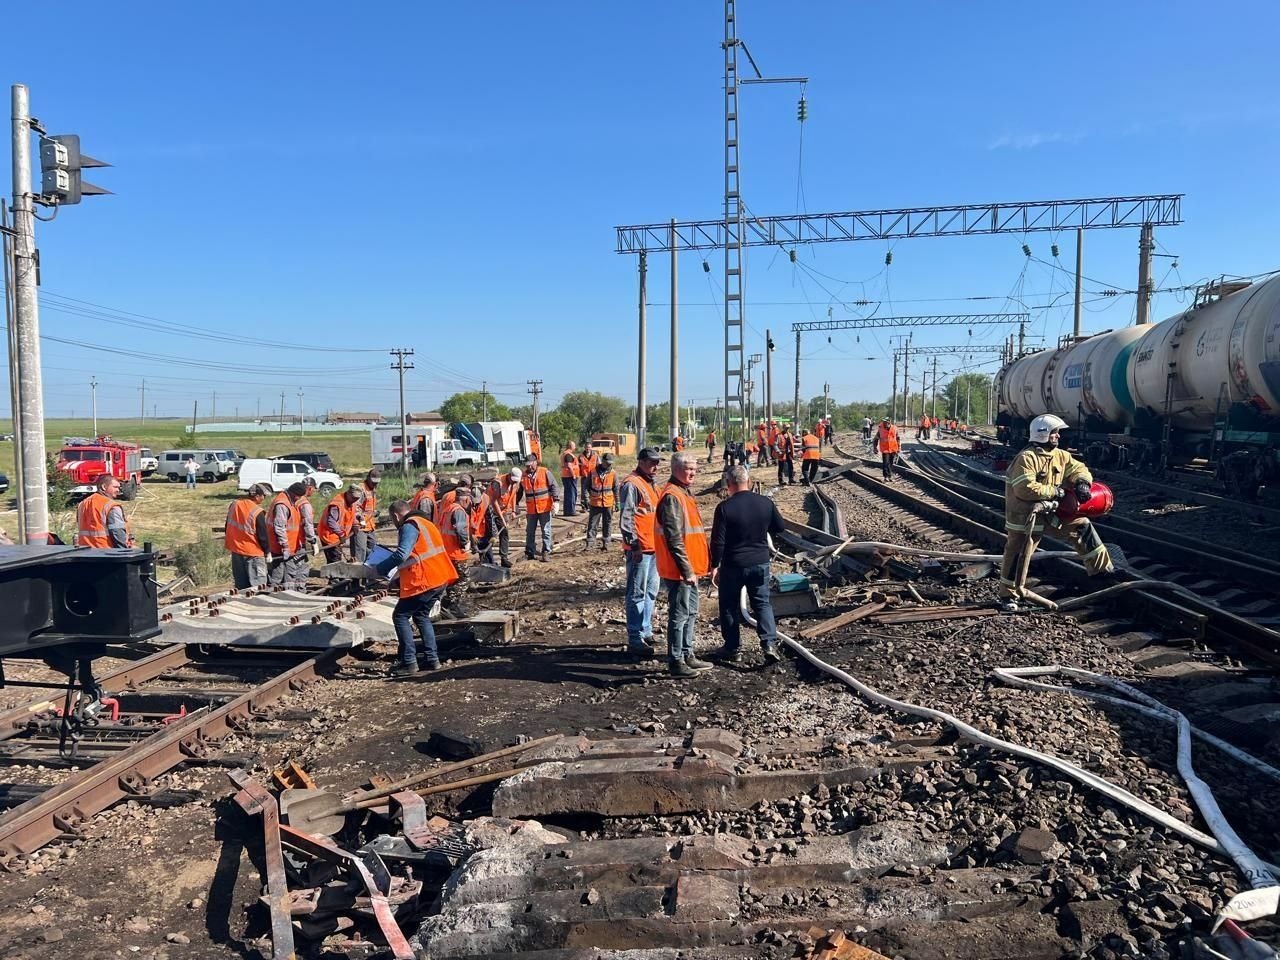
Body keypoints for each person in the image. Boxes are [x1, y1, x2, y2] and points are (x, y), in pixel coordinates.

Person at [1000, 414, 1115, 611]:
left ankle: (1102, 572)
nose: (1058, 437)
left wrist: (1082, 482)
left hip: (1050, 513)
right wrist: (1057, 492)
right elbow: (1025, 488)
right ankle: (1009, 595)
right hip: (1026, 517)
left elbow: (1079, 468)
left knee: (1082, 526)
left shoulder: (1060, 455)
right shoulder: (1026, 458)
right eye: (1055, 433)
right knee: (1018, 553)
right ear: (1043, 434)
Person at [710, 464, 783, 665]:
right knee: (762, 602)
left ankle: (732, 648)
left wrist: (714, 564)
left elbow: (718, 541)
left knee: (728, 606)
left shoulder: (724, 508)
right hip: (760, 561)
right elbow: (780, 527)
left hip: (733, 564)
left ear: (729, 484)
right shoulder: (765, 503)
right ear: (749, 482)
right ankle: (769, 643)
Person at [376, 500, 459, 676]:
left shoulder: (409, 525)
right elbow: (419, 554)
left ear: (396, 515)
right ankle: (432, 659)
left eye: (393, 519)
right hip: (439, 577)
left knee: (400, 616)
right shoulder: (426, 523)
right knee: (421, 616)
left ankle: (409, 662)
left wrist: (380, 569)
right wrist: (397, 579)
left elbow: (401, 554)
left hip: (425, 580)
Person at [655, 451, 711, 679]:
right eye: (689, 469)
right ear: (676, 469)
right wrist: (686, 570)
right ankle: (676, 660)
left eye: (695, 470)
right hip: (679, 570)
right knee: (679, 615)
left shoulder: (683, 493)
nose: (693, 474)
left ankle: (688, 654)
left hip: (690, 569)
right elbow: (674, 539)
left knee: (691, 612)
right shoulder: (672, 497)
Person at [619, 447, 661, 659]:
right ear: (641, 462)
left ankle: (645, 629)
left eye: (657, 463)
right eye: (652, 463)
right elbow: (626, 519)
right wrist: (633, 545)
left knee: (650, 591)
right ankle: (635, 637)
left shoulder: (649, 483)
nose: (656, 467)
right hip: (640, 549)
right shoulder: (632, 484)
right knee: (636, 592)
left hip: (654, 548)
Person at [225, 483, 270, 588]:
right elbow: (263, 536)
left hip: (236, 550)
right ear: (257, 496)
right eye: (264, 496)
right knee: (258, 587)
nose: (264, 498)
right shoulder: (257, 512)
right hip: (253, 553)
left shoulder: (234, 505)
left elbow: (227, 525)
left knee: (241, 586)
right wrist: (267, 552)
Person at [438, 484, 473, 617]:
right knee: (464, 578)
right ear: (465, 499)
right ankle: (449, 604)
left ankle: (451, 604)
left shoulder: (448, 509)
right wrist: (465, 543)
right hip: (456, 552)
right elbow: (460, 529)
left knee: (454, 578)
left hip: (447, 550)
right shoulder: (459, 511)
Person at [76, 474, 135, 548]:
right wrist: (125, 552)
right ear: (104, 487)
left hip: (84, 552)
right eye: (115, 487)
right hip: (106, 552)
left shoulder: (82, 504)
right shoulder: (111, 506)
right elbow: (117, 533)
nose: (118, 490)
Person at [519, 452, 559, 561]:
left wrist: (556, 500)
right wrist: (515, 505)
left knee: (546, 530)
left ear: (536, 463)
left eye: (531, 465)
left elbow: (554, 486)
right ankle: (529, 552)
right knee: (530, 531)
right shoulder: (523, 475)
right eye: (527, 465)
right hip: (531, 509)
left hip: (544, 507)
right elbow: (518, 492)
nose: (529, 467)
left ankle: (546, 551)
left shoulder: (544, 472)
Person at [267, 482, 307, 587]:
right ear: (295, 495)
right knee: (278, 575)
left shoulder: (287, 500)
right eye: (299, 497)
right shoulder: (282, 504)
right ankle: (275, 596)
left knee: (288, 573)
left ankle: (286, 593)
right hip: (280, 547)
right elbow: (279, 527)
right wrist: (285, 547)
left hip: (288, 546)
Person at [483, 467, 521, 568]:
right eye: (512, 481)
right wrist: (502, 519)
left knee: (504, 533)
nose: (513, 483)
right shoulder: (498, 483)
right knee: (491, 535)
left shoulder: (515, 483)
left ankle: (504, 558)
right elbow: (494, 502)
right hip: (490, 510)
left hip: (503, 510)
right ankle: (487, 560)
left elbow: (513, 495)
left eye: (515, 482)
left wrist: (513, 511)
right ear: (509, 475)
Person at [319, 484, 362, 563]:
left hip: (338, 535)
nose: (355, 500)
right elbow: (331, 522)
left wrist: (355, 524)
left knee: (337, 557)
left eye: (357, 498)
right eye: (353, 498)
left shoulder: (353, 501)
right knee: (334, 560)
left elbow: (351, 515)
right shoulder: (337, 504)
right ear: (348, 493)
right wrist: (341, 535)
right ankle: (332, 574)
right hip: (329, 535)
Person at [585, 453, 619, 551]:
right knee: (592, 524)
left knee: (607, 523)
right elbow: (586, 486)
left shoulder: (613, 473)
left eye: (610, 463)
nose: (609, 465)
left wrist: (618, 503)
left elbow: (616, 489)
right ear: (602, 462)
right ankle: (590, 543)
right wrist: (586, 499)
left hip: (608, 503)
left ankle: (606, 543)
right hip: (595, 502)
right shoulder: (593, 472)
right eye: (607, 463)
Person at [352, 469, 382, 563]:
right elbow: (355, 506)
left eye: (377, 483)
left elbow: (367, 507)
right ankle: (357, 575)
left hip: (370, 525)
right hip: (360, 527)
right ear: (368, 478)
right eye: (373, 482)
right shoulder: (361, 489)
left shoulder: (373, 489)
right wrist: (360, 518)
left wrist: (374, 512)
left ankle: (368, 572)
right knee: (359, 551)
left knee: (372, 549)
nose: (375, 484)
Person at [560, 442, 580, 517]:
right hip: (570, 477)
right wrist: (573, 475)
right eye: (574, 446)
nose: (575, 447)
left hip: (566, 476)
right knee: (572, 494)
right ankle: (571, 511)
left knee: (568, 494)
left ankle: (567, 511)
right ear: (571, 446)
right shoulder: (568, 454)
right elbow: (569, 465)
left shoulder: (564, 454)